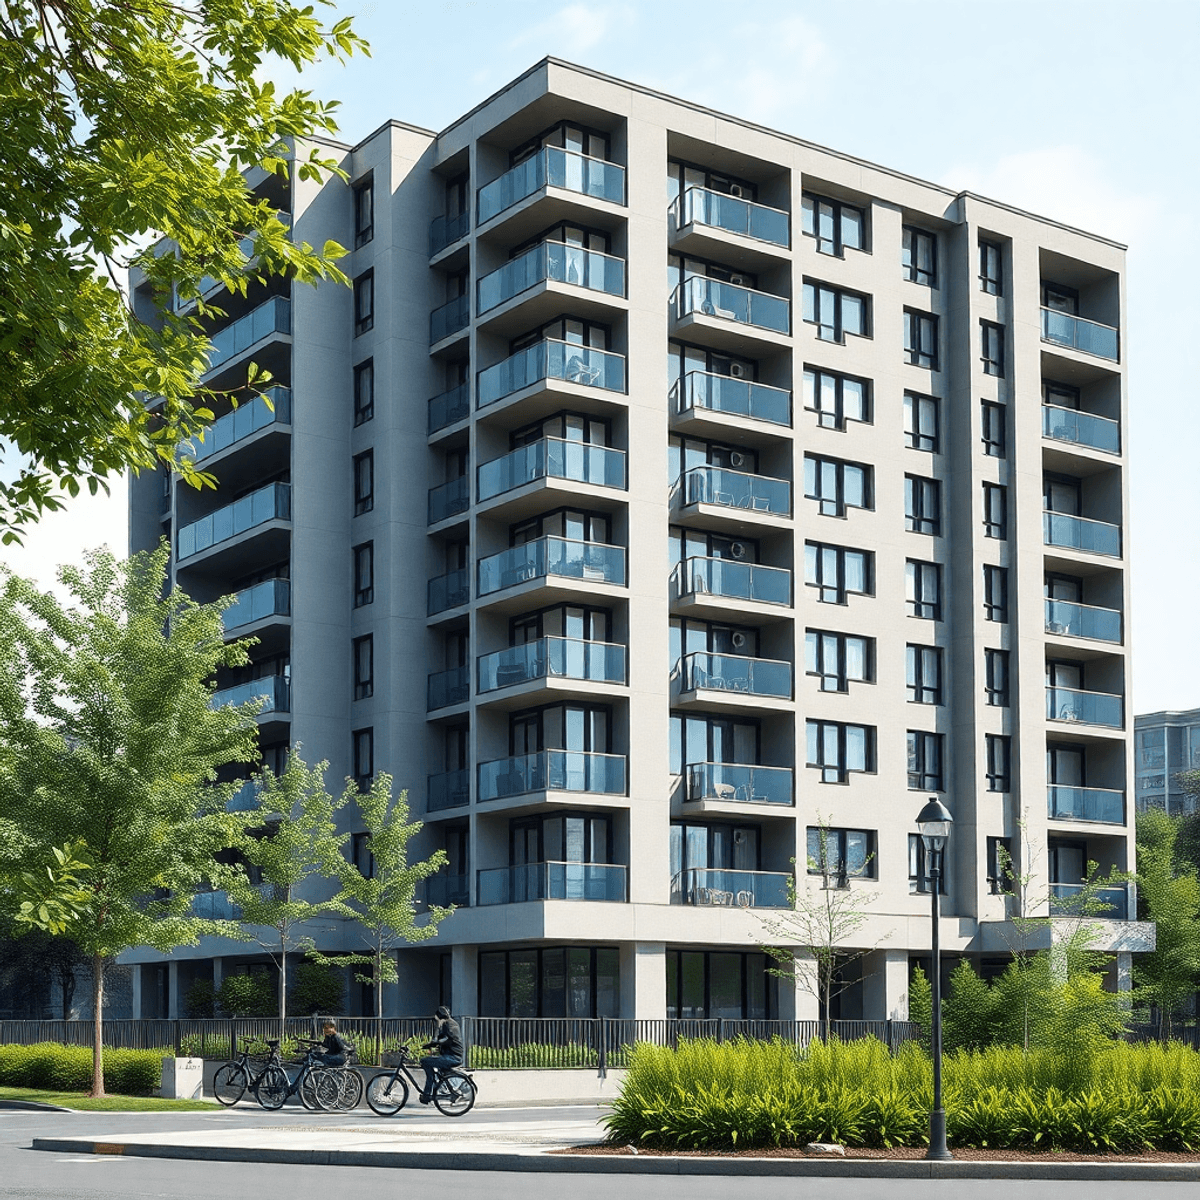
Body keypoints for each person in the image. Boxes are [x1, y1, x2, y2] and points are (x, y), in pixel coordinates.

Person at [419, 1005, 463, 1102]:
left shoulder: (448, 1024)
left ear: (439, 1016)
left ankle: (427, 1093)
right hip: (453, 1056)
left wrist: (434, 1044)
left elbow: (449, 1039)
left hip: (452, 1057)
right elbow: (442, 1039)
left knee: (425, 1061)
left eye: (437, 1019)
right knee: (433, 1064)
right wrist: (432, 1045)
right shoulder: (451, 1023)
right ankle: (437, 1087)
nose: (436, 1021)